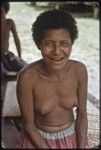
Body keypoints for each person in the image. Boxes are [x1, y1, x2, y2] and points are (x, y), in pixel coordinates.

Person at [16, 9, 89, 149]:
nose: (56, 51)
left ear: (71, 44)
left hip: (71, 136)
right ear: (38, 44)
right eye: (48, 44)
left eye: (64, 43)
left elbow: (82, 114)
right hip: (38, 140)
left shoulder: (79, 71)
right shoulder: (27, 77)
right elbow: (29, 125)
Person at [1, 2, 27, 76]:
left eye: (2, 11)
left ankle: (9, 72)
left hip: (6, 55)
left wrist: (19, 56)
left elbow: (17, 40)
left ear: (6, 11)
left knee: (24, 66)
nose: (1, 14)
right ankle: (7, 73)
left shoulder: (9, 22)